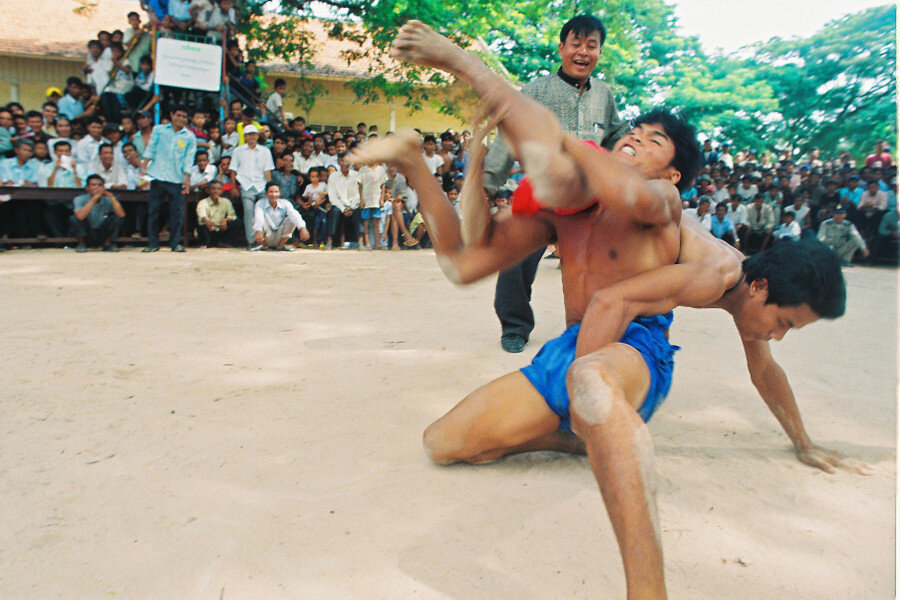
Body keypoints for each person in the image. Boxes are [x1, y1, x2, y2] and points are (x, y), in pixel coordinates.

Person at [362, 21, 865, 600]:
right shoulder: (573, 205)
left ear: (673, 173)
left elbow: (622, 291)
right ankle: (572, 435)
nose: (774, 337)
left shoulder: (672, 212)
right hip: (575, 340)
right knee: (445, 442)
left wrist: (802, 441)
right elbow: (467, 260)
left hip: (632, 347)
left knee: (591, 380)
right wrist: (462, 166)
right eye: (634, 134)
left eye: (654, 142)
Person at [482, 14, 629, 353]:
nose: (583, 52)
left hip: (589, 199)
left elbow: (616, 134)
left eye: (591, 46)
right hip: (542, 194)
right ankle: (515, 325)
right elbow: (509, 135)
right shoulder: (536, 91)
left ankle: (592, 328)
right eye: (576, 44)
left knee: (603, 264)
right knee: (516, 257)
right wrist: (488, 184)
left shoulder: (604, 95)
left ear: (599, 53)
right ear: (562, 48)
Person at [141, 105, 197, 252]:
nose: (181, 119)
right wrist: (144, 165)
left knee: (177, 213)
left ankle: (175, 243)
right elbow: (151, 148)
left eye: (184, 116)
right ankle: (153, 244)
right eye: (178, 115)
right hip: (158, 175)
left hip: (176, 178)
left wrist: (187, 178)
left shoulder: (189, 136)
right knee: (154, 211)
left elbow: (188, 159)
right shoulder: (159, 130)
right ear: (172, 114)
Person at [229, 124, 274, 248]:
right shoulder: (238, 151)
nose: (252, 136)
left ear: (257, 135)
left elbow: (267, 171)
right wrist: (233, 187)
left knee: (264, 212)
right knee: (249, 212)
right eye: (249, 134)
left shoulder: (265, 151)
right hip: (246, 185)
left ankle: (265, 240)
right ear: (244, 136)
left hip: (262, 185)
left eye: (254, 134)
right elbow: (233, 170)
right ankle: (251, 241)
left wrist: (270, 188)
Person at [70, 174, 125, 252]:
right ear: (87, 188)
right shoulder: (79, 199)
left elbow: (121, 215)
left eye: (99, 185)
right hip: (87, 232)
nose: (97, 187)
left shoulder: (107, 199)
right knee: (74, 218)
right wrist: (94, 199)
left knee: (116, 218)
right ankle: (81, 244)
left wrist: (112, 197)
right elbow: (80, 217)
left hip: (102, 231)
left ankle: (108, 244)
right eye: (93, 185)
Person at [250, 181, 310, 251]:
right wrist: (258, 231)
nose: (274, 194)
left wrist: (302, 228)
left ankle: (280, 246)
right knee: (255, 220)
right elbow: (259, 217)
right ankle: (263, 246)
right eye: (271, 192)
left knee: (291, 219)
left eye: (276, 192)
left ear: (279, 193)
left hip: (280, 237)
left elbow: (295, 215)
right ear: (266, 194)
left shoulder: (285, 203)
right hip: (265, 237)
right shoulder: (260, 203)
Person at [196, 180, 240, 247]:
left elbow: (232, 215)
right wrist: (207, 222)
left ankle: (225, 242)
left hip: (221, 228)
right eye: (213, 189)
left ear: (221, 191)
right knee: (201, 226)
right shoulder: (203, 202)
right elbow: (202, 215)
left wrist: (225, 220)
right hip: (209, 229)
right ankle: (207, 243)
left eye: (218, 189)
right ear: (208, 190)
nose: (216, 191)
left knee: (237, 222)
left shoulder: (226, 201)